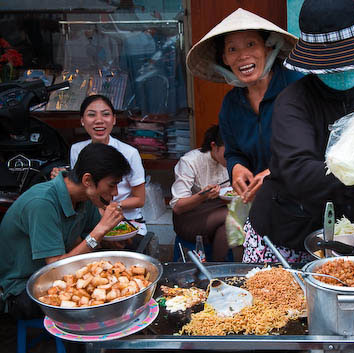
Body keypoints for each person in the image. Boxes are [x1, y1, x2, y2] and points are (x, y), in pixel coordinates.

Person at [244, 0, 354, 263]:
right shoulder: (293, 102)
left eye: (350, 61)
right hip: (290, 235)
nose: (343, 72)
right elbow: (300, 171)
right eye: (333, 66)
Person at [0, 143, 130, 320]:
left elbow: (90, 236)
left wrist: (110, 239)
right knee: (99, 302)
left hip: (61, 270)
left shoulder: (87, 197)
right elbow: (55, 268)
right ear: (87, 180)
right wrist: (100, 232)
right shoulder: (42, 203)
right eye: (112, 185)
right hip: (23, 285)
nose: (115, 193)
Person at [186, 8, 303, 204]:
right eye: (233, 49)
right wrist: (237, 168)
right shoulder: (231, 105)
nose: (243, 56)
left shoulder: (297, 87)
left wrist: (275, 172)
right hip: (261, 204)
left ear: (267, 48)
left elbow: (315, 146)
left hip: (303, 201)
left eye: (251, 44)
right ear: (224, 59)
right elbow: (234, 153)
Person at [52, 94, 147, 238]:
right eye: (91, 115)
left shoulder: (129, 153)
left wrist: (110, 207)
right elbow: (80, 186)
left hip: (125, 220)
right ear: (82, 121)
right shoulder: (77, 149)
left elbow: (139, 199)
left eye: (106, 114)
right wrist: (61, 177)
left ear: (114, 119)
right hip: (90, 221)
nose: (99, 121)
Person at [170, 125, 236, 261]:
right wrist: (202, 196)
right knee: (235, 215)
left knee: (226, 227)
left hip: (217, 215)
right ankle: (216, 270)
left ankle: (214, 271)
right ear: (214, 146)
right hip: (189, 219)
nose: (232, 156)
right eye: (228, 151)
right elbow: (178, 207)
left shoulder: (232, 163)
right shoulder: (190, 162)